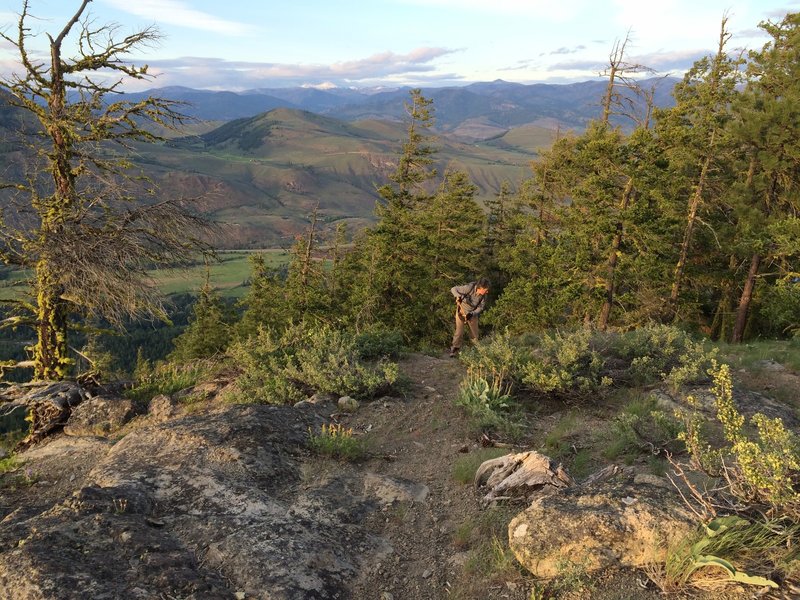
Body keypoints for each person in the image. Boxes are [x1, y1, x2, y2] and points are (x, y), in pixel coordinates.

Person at [449, 277, 490, 357]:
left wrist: (472, 314)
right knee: (459, 332)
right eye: (486, 289)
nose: (487, 291)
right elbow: (453, 289)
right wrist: (458, 296)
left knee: (474, 334)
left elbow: (480, 307)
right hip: (461, 311)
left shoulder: (484, 296)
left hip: (472, 314)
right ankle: (454, 350)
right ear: (480, 288)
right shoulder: (469, 288)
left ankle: (475, 351)